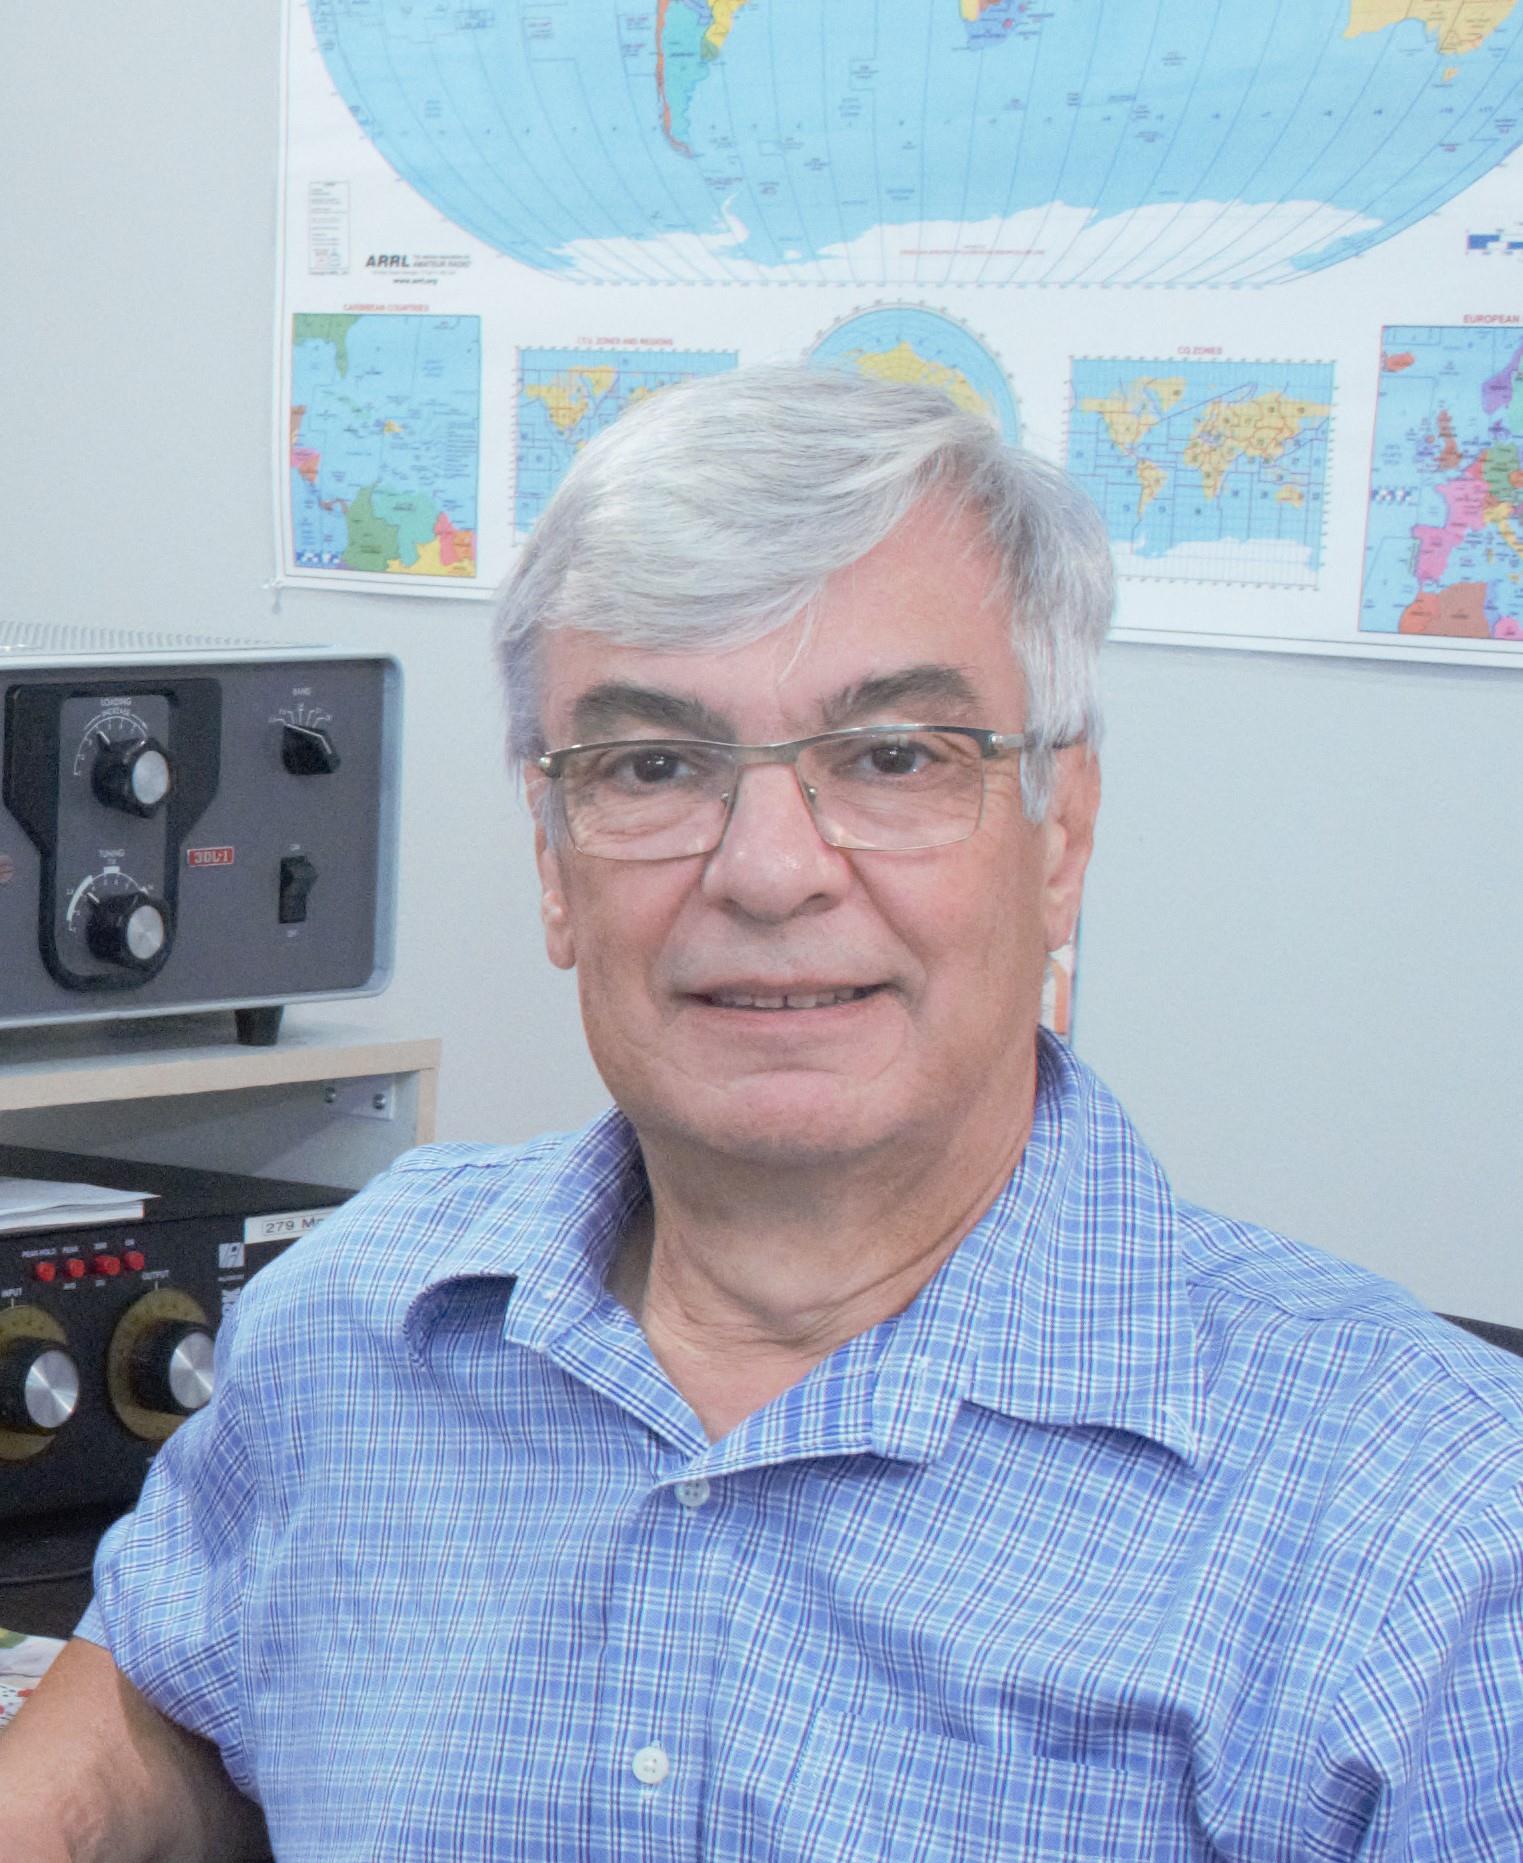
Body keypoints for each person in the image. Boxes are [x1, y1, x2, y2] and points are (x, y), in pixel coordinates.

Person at [2, 364, 1521, 1861]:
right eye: (655, 765)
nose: (771, 871)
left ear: (1061, 838)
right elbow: (161, 1719)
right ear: (553, 860)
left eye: (894, 757)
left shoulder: (1427, 1536)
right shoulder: (356, 1322)